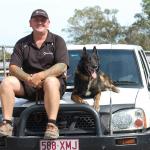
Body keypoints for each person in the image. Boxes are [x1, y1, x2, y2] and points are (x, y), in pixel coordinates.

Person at [0, 9, 69, 139]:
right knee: (6, 82)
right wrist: (27, 78)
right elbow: (13, 67)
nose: (39, 22)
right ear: (30, 23)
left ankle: (52, 125)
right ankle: (7, 123)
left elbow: (62, 66)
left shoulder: (58, 40)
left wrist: (41, 76)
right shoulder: (21, 43)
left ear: (48, 23)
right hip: (29, 85)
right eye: (36, 20)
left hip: (53, 86)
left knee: (51, 81)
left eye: (43, 20)